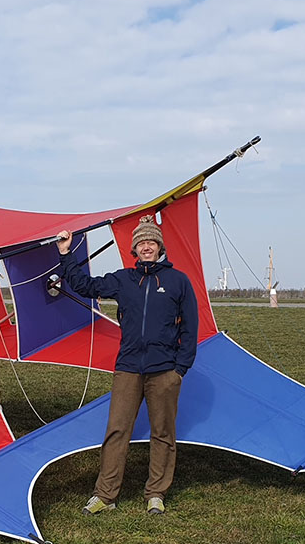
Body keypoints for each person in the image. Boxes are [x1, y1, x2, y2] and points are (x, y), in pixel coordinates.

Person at [56, 214, 198, 516]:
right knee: (117, 430)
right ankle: (105, 496)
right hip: (128, 368)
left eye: (151, 242)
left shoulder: (178, 281)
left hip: (165, 371)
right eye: (141, 243)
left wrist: (179, 370)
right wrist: (66, 254)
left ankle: (156, 493)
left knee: (162, 433)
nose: (147, 247)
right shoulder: (123, 280)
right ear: (135, 249)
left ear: (159, 247)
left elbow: (190, 328)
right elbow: (84, 285)